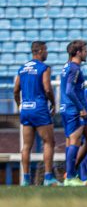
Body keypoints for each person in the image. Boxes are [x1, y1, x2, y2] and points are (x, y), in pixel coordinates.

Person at [14, 41, 58, 186]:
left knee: (27, 146)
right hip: (39, 109)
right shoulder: (44, 68)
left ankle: (25, 180)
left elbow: (16, 90)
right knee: (49, 142)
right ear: (39, 51)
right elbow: (47, 88)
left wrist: (19, 105)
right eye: (45, 50)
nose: (47, 53)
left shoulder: (22, 68)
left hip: (26, 109)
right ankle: (48, 177)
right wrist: (53, 102)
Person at [60, 40, 87, 186]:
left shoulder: (67, 66)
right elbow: (69, 91)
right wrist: (81, 108)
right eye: (85, 50)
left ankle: (73, 174)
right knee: (74, 140)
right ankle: (70, 177)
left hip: (68, 108)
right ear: (78, 52)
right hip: (74, 109)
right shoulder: (74, 68)